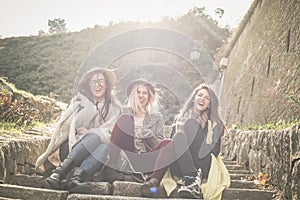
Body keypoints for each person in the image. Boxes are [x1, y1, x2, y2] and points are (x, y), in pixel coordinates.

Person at [35, 67, 122, 192]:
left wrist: (90, 132)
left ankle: (75, 179)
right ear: (89, 85)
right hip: (72, 149)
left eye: (101, 81)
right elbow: (67, 128)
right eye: (94, 82)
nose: (98, 85)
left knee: (103, 145)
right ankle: (60, 172)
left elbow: (110, 134)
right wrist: (83, 109)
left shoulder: (115, 108)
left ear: (107, 85)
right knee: (94, 138)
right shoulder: (79, 103)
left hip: (97, 157)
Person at [142, 84, 226, 198]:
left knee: (191, 124)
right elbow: (173, 145)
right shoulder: (180, 118)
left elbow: (215, 151)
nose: (202, 99)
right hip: (181, 166)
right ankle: (158, 180)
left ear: (210, 104)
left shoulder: (215, 123)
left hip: (202, 165)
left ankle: (190, 178)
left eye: (207, 98)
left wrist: (198, 138)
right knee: (175, 139)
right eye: (200, 95)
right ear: (194, 98)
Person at [107, 79, 173, 184]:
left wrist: (148, 134)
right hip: (126, 156)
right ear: (133, 94)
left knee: (169, 143)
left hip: (146, 158)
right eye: (138, 92)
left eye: (145, 93)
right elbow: (112, 135)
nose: (141, 95)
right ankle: (110, 168)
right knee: (126, 119)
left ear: (149, 97)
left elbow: (159, 143)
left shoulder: (157, 118)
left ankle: (153, 181)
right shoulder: (122, 112)